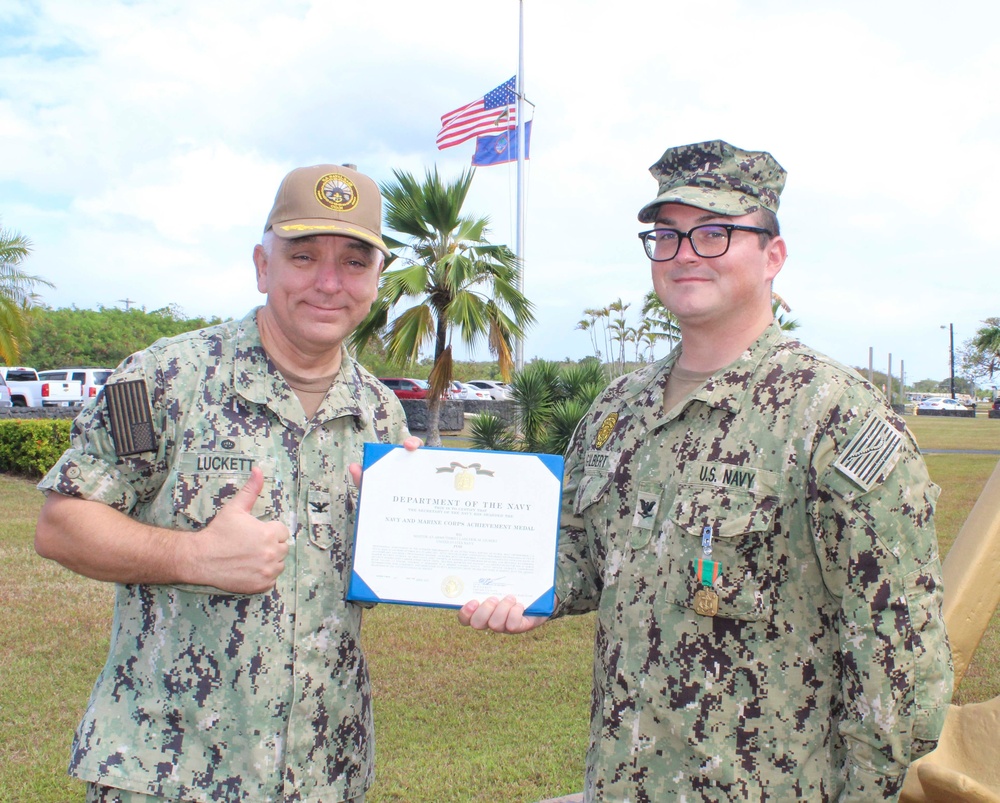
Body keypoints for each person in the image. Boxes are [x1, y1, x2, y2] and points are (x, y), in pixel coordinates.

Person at [460, 140, 953, 801]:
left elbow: (902, 660)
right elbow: (581, 548)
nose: (685, 252)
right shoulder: (618, 409)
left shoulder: (833, 418)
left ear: (772, 255)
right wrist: (503, 579)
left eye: (714, 232)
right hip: (620, 780)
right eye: (666, 235)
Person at [35, 163, 419, 803]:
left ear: (377, 282)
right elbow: (61, 523)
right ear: (262, 266)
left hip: (326, 771)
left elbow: (373, 576)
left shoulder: (382, 414)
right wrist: (193, 555)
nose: (328, 283)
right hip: (169, 769)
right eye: (303, 256)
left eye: (354, 262)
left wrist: (425, 530)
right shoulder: (163, 379)